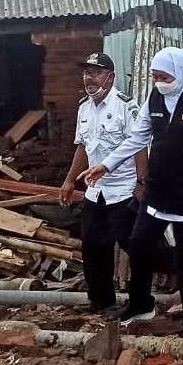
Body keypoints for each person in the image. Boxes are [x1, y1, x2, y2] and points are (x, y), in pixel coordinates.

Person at [84, 47, 183, 337]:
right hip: (158, 192)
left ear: (181, 72)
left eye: (164, 76)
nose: (159, 81)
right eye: (155, 76)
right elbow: (137, 136)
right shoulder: (156, 97)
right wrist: (106, 166)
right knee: (139, 243)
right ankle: (140, 304)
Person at [59, 52, 146, 316]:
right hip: (95, 191)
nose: (89, 78)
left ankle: (140, 303)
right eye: (86, 72)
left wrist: (142, 184)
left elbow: (140, 146)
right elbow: (83, 147)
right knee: (93, 246)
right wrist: (69, 180)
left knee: (133, 245)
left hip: (122, 190)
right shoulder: (84, 107)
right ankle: (101, 301)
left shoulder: (125, 107)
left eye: (95, 72)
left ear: (110, 76)